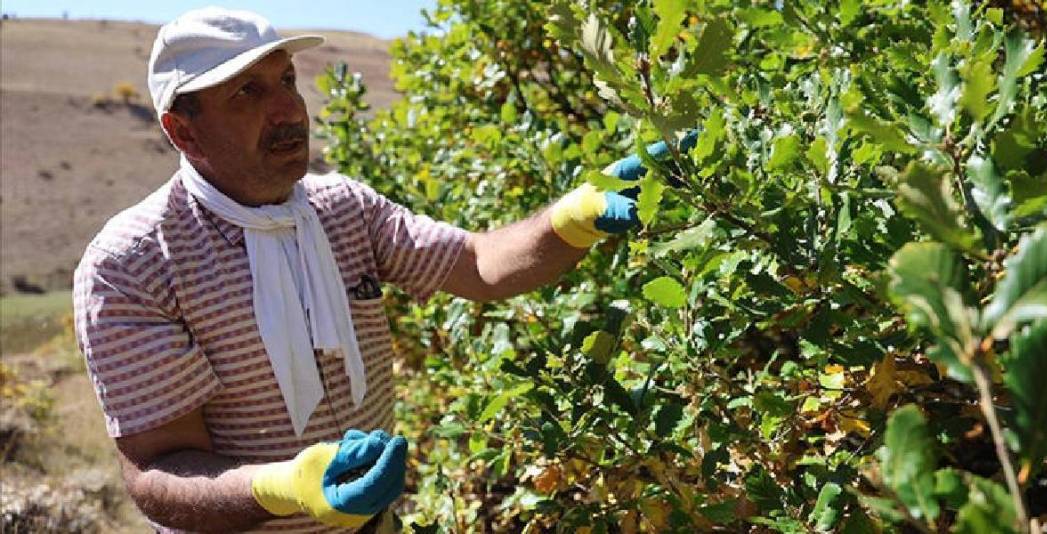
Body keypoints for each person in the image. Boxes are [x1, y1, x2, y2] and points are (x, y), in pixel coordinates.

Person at [72, 7, 691, 533]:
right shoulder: (134, 263)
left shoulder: (343, 209)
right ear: (182, 131)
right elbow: (156, 471)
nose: (289, 110)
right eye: (247, 93)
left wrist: (571, 218)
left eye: (286, 80)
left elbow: (478, 265)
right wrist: (282, 488)